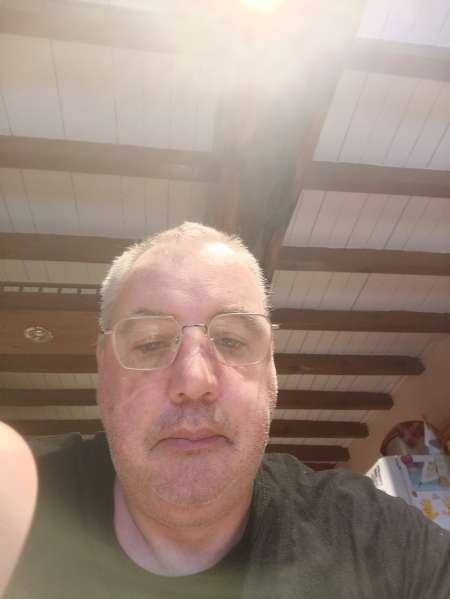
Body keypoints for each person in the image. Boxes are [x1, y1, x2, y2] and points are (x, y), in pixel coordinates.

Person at [3, 222, 450, 598]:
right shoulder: (19, 495)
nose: (194, 380)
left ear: (272, 371)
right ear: (103, 369)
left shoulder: (378, 539)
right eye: (151, 343)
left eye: (232, 341)